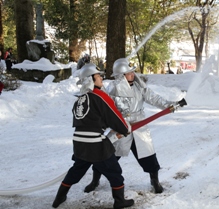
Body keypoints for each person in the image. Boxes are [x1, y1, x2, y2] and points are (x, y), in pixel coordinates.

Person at [84, 58, 186, 194]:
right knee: (105, 155)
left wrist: (170, 105)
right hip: (120, 126)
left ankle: (154, 180)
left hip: (139, 125)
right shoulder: (112, 88)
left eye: (132, 72)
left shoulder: (139, 87)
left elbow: (155, 99)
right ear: (121, 75)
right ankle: (95, 180)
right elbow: (106, 107)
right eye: (128, 73)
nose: (132, 75)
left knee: (148, 155)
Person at [52, 63, 134, 209]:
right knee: (114, 171)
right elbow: (113, 115)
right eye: (98, 76)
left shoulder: (79, 99)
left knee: (76, 170)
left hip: (79, 142)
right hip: (95, 144)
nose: (101, 78)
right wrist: (124, 128)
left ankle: (59, 197)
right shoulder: (99, 96)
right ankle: (120, 201)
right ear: (90, 79)